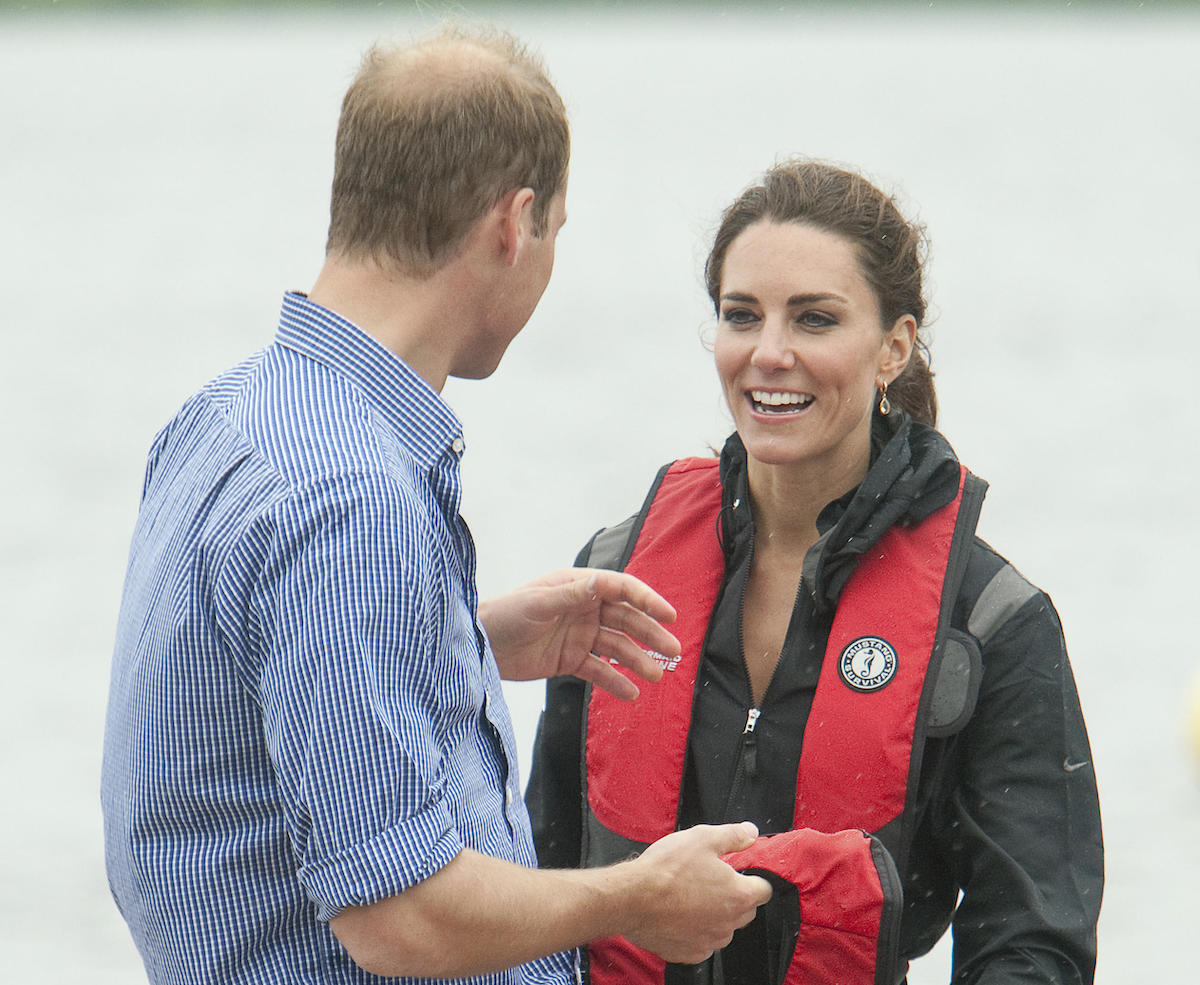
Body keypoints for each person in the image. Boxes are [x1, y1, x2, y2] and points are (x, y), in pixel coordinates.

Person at [100, 23, 772, 985]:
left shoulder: (225, 415)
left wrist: (467, 635)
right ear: (514, 222)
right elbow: (399, 915)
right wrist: (637, 894)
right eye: (554, 235)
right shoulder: (351, 497)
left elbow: (228, 721)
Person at [526, 159, 1104, 985]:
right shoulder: (614, 578)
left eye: (815, 320)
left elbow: (1035, 942)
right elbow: (544, 874)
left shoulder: (993, 622)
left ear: (893, 348)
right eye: (741, 315)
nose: (769, 354)